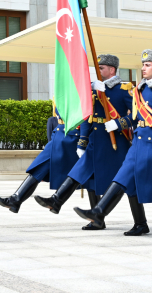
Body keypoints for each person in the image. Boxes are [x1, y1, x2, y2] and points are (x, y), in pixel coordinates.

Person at [74, 49, 152, 244]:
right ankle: (100, 212)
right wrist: (119, 123)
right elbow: (134, 119)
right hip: (139, 143)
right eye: (143, 64)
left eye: (147, 65)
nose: (143, 68)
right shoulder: (140, 89)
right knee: (123, 177)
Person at [34, 54, 134, 231]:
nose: (98, 71)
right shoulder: (96, 89)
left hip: (115, 143)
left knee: (123, 183)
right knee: (79, 173)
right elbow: (89, 117)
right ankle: (58, 201)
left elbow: (136, 115)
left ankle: (139, 222)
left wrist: (118, 123)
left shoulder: (124, 89)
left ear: (112, 69)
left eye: (101, 68)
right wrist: (82, 142)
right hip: (96, 141)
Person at [0, 103, 80, 213]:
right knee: (39, 166)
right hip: (60, 133)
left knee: (88, 176)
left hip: (73, 134)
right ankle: (15, 199)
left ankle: (97, 215)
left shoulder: (85, 89)